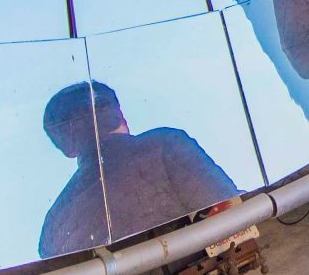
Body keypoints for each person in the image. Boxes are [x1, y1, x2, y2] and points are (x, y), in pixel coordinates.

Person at [38, 82, 239, 258]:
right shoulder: (165, 144)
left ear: (66, 148)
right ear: (120, 117)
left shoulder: (54, 224)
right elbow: (232, 216)